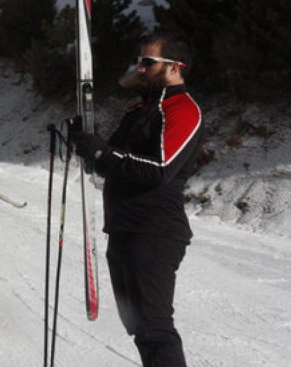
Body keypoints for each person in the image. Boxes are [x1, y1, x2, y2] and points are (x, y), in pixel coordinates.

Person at [71, 33, 203, 367]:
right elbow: (109, 162)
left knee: (155, 326)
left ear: (174, 66)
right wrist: (87, 141)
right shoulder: (138, 110)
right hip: (123, 229)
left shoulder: (183, 109)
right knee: (139, 327)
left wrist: (105, 150)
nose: (140, 69)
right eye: (139, 61)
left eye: (148, 62)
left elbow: (160, 169)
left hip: (155, 231)